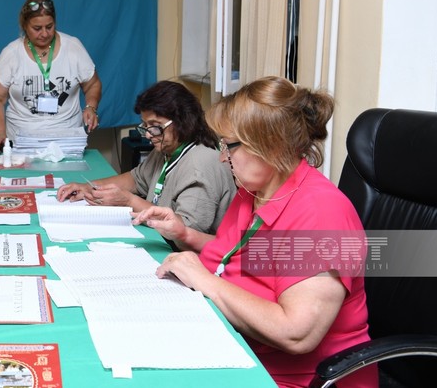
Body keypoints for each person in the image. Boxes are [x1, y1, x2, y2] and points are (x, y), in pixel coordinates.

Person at [144, 76, 376, 388]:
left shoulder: (322, 213)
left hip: (296, 379)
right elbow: (243, 257)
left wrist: (203, 280)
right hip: (235, 350)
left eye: (229, 146)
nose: (222, 157)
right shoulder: (255, 191)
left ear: (271, 145)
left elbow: (296, 332)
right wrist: (186, 235)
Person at [57, 81, 234, 236]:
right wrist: (89, 187)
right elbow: (136, 178)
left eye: (155, 126)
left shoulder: (200, 165)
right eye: (146, 125)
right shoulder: (167, 148)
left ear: (182, 121)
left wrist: (129, 201)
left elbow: (187, 230)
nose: (149, 135)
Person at [0, 0, 102, 152]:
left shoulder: (73, 47)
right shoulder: (11, 53)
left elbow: (93, 84)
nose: (44, 33)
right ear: (24, 26)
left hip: (67, 141)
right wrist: (0, 133)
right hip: (22, 142)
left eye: (49, 27)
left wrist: (91, 106)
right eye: (37, 28)